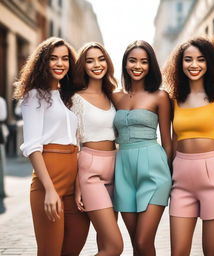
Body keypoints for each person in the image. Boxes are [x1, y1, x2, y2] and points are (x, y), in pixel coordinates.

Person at [163, 37, 214, 256]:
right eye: (188, 60)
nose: (194, 65)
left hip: (213, 179)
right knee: (178, 253)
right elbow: (174, 142)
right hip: (181, 181)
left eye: (200, 60)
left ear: (210, 63)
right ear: (180, 64)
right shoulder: (174, 99)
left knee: (213, 253)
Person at [14, 37, 89, 256]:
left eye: (65, 58)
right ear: (42, 62)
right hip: (50, 179)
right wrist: (49, 189)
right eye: (53, 58)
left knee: (74, 247)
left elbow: (77, 142)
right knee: (50, 251)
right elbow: (32, 146)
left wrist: (79, 182)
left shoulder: (69, 97)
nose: (60, 63)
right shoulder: (34, 96)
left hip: (73, 178)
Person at [112, 40, 172, 256]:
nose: (138, 66)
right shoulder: (115, 96)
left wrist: (169, 175)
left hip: (154, 171)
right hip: (123, 171)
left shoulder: (160, 96)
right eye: (133, 60)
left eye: (144, 62)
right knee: (136, 244)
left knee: (144, 241)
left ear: (151, 66)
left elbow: (167, 141)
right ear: (125, 63)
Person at [70, 42, 123, 256]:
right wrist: (78, 183)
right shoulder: (75, 98)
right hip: (90, 170)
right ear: (83, 66)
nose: (96, 64)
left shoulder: (114, 96)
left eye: (101, 59)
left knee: (105, 245)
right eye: (90, 60)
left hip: (116, 168)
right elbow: (73, 144)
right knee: (115, 247)